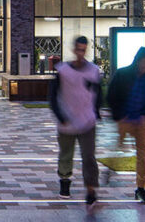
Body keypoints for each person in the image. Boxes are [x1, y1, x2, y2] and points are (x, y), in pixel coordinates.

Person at [49, 35, 102, 210]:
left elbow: (98, 93)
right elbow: (52, 97)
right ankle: (65, 183)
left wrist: (96, 112)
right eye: (78, 49)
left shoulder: (93, 71)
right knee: (66, 154)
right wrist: (61, 116)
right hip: (67, 121)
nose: (81, 53)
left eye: (84, 50)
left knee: (89, 157)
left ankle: (91, 190)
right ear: (73, 50)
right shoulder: (63, 71)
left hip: (87, 121)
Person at [106, 47, 145, 206]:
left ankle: (141, 188)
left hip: (140, 121)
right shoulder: (123, 74)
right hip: (125, 118)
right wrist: (119, 115)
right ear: (138, 59)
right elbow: (111, 95)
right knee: (119, 147)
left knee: (142, 156)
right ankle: (110, 169)